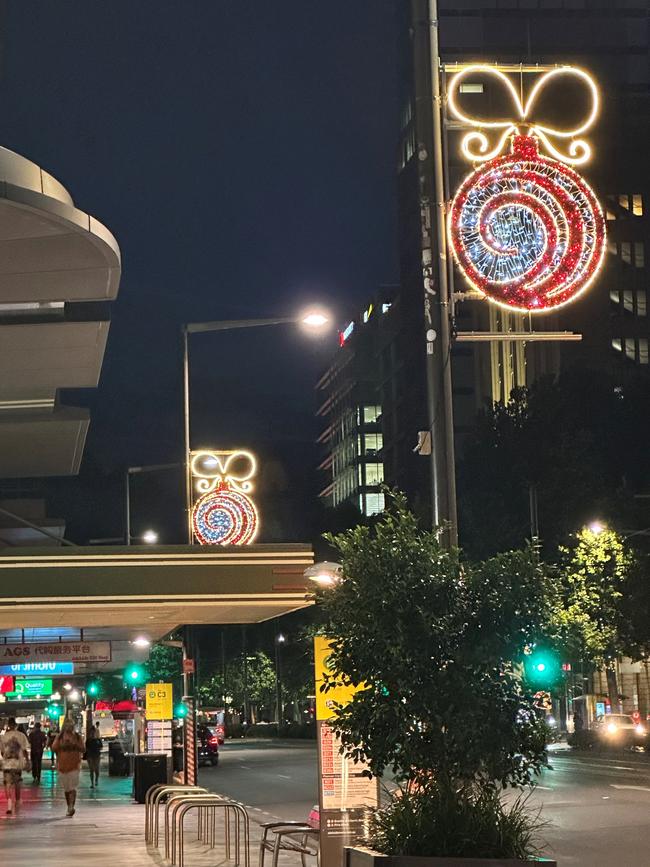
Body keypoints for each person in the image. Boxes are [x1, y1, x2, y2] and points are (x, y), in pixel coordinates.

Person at [53, 721, 85, 817]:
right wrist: (63, 745)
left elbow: (83, 748)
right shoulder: (59, 737)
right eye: (67, 726)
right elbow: (54, 747)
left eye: (71, 726)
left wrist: (74, 745)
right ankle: (69, 806)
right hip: (63, 766)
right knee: (67, 789)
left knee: (72, 788)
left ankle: (71, 806)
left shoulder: (77, 737)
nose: (69, 727)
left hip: (74, 765)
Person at [0, 718, 30, 815]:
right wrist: (28, 761)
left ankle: (9, 803)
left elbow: (2, 751)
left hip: (7, 764)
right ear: (16, 725)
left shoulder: (4, 737)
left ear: (8, 725)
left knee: (7, 783)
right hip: (17, 764)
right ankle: (17, 801)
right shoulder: (21, 736)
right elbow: (25, 750)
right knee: (17, 782)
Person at [85, 723, 102, 788]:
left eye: (93, 732)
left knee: (96, 769)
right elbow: (86, 748)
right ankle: (92, 783)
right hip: (90, 756)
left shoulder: (98, 740)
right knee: (91, 769)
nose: (92, 733)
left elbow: (101, 747)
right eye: (91, 732)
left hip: (96, 755)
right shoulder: (88, 740)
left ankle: (96, 780)